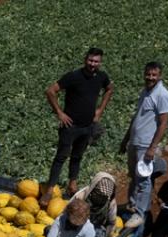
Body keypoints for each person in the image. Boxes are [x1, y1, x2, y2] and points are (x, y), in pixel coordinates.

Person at [42, 48, 114, 203]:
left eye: (96, 61)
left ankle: (72, 186)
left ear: (100, 62)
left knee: (77, 156)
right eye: (90, 60)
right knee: (61, 157)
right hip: (70, 126)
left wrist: (100, 110)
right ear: (85, 60)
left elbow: (109, 89)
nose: (92, 64)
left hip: (88, 126)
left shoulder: (101, 77)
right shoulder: (73, 76)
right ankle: (49, 191)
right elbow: (50, 91)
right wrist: (60, 113)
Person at [120, 61, 168, 226]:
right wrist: (126, 139)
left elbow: (163, 123)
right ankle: (132, 205)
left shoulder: (162, 95)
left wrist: (152, 147)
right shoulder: (145, 91)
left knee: (143, 179)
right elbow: (137, 117)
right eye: (148, 74)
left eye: (154, 75)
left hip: (146, 144)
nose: (150, 77)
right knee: (133, 176)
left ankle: (140, 213)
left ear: (160, 76)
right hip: (135, 141)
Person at [70, 171, 119, 237]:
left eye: (104, 197)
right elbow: (66, 213)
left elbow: (111, 222)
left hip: (96, 228)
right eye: (98, 194)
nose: (100, 199)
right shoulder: (81, 196)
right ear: (93, 188)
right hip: (76, 225)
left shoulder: (111, 203)